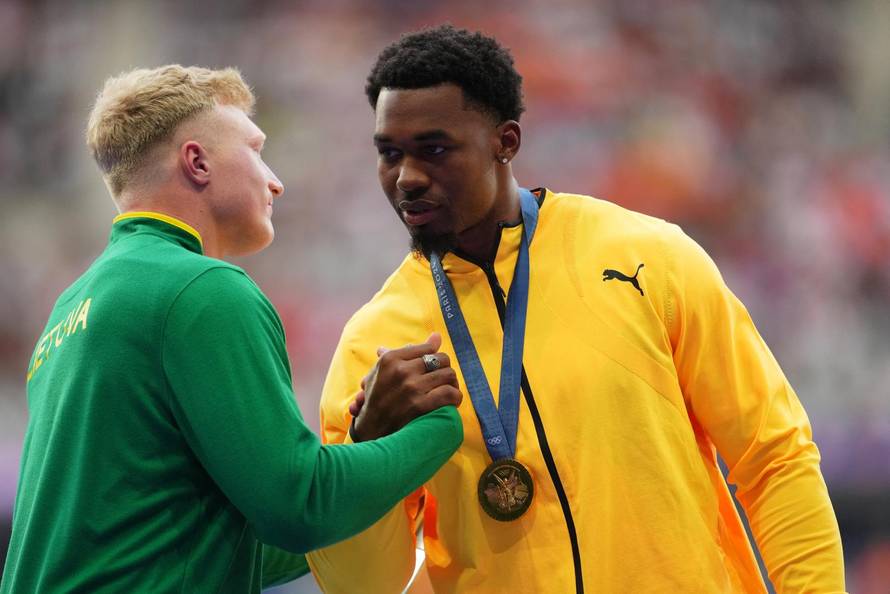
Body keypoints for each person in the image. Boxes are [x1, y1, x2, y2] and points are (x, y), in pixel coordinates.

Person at [306, 25, 846, 594]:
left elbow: (774, 455)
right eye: (390, 153)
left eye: (435, 150)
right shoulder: (376, 344)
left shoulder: (647, 258)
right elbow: (364, 586)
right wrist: (368, 456)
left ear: (505, 141)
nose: (407, 178)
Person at [0, 65, 464, 594]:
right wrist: (448, 424)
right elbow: (301, 509)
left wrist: (363, 445)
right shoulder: (200, 289)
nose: (275, 179)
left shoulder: (73, 306)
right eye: (255, 149)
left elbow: (231, 539)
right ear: (197, 162)